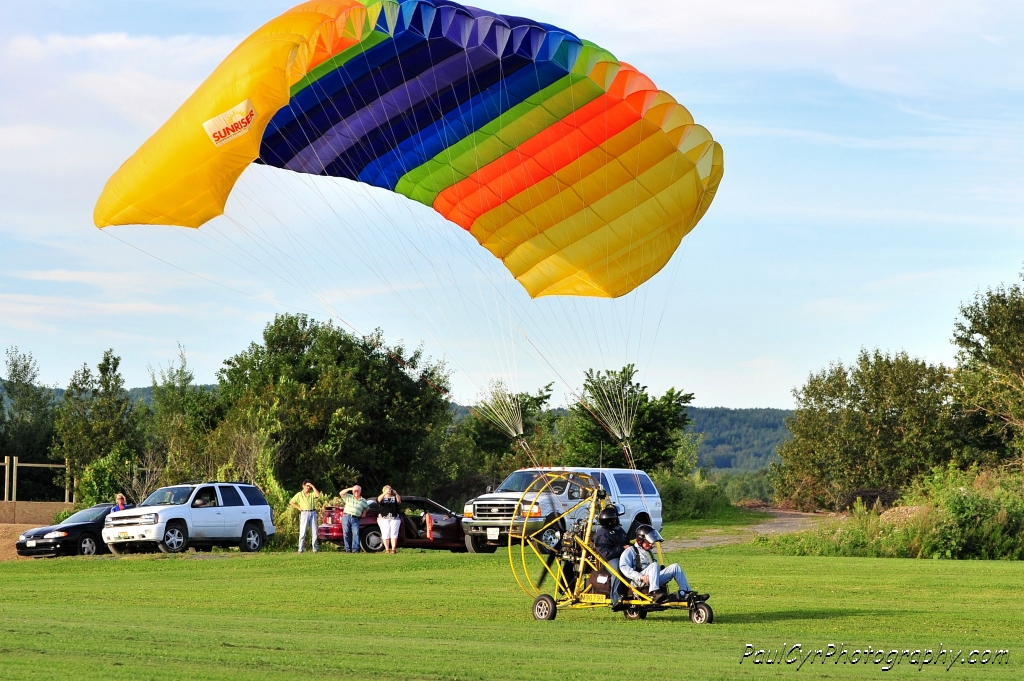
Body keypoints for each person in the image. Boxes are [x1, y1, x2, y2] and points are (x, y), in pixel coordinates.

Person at [619, 524, 699, 603]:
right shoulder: (630, 551)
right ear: (640, 541)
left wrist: (660, 569)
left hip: (651, 580)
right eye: (648, 542)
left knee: (675, 567)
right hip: (638, 581)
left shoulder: (649, 552)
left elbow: (653, 569)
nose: (651, 545)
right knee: (654, 565)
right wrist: (640, 576)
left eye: (651, 542)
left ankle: (686, 591)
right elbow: (624, 568)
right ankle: (653, 592)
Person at [592, 506, 630, 607]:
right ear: (610, 521)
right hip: (610, 560)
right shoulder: (602, 535)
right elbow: (606, 554)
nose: (617, 520)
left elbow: (627, 542)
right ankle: (615, 598)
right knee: (618, 570)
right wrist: (622, 548)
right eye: (615, 519)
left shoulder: (619, 530)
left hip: (623, 556)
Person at [289, 480, 323, 553]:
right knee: (302, 532)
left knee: (314, 531)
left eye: (309, 486)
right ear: (303, 486)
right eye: (307, 486)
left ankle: (315, 549)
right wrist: (298, 508)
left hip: (312, 512)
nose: (308, 487)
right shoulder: (299, 494)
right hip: (304, 513)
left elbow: (318, 495)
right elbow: (291, 502)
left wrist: (312, 486)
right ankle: (300, 549)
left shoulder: (311, 494)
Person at [338, 485, 371, 553]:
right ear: (352, 491)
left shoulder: (363, 500)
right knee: (346, 533)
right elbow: (341, 493)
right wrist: (350, 488)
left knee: (356, 533)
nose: (356, 492)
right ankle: (348, 549)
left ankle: (355, 549)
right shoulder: (349, 497)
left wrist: (364, 513)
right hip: (346, 516)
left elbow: (367, 508)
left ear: (360, 491)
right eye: (354, 491)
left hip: (356, 518)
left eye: (357, 491)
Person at [376, 485, 402, 554]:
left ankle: (393, 549)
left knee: (394, 533)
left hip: (394, 518)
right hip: (383, 518)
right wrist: (384, 493)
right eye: (387, 489)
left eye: (390, 489)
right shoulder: (382, 497)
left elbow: (399, 501)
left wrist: (396, 493)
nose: (389, 490)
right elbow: (378, 500)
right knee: (385, 533)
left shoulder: (394, 497)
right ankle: (387, 549)